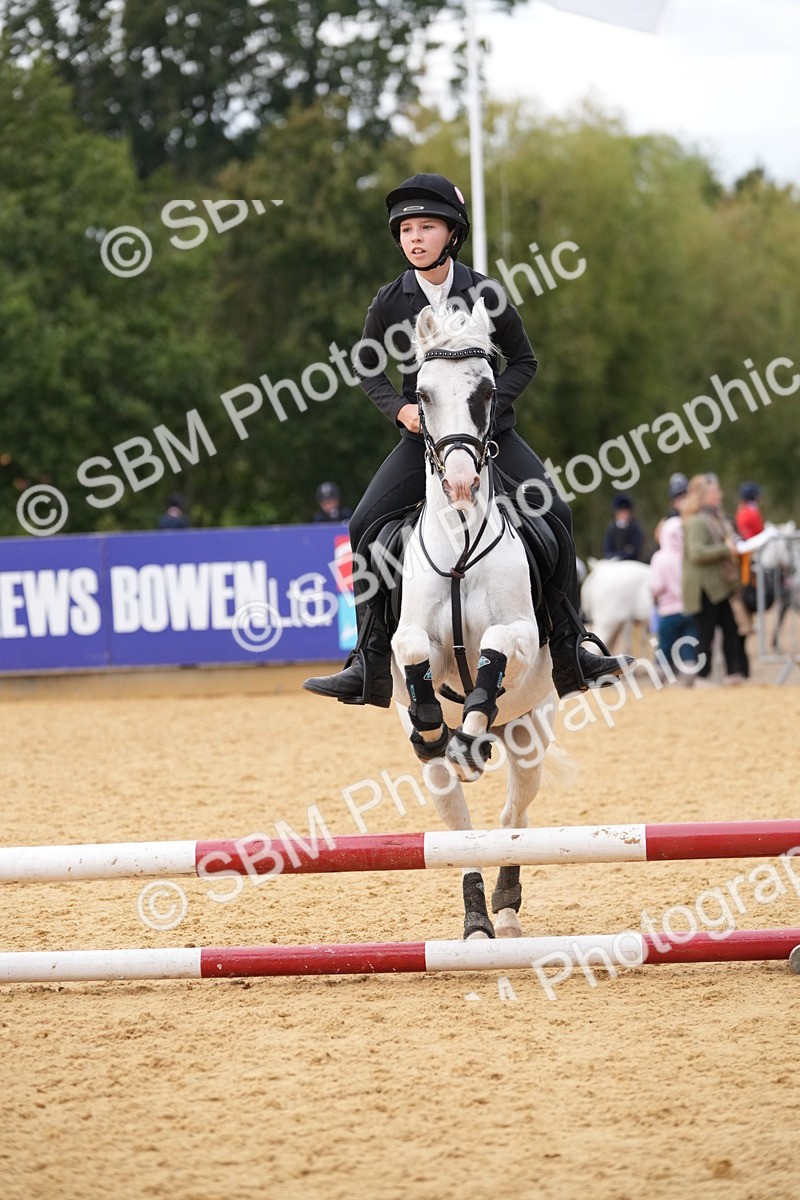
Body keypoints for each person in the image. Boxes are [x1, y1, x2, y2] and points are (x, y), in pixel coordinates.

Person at [303, 173, 632, 707]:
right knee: (362, 523)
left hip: (492, 438)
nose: (414, 238)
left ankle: (575, 650)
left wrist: (487, 408)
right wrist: (401, 409)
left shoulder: (485, 293)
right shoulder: (390, 301)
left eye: (426, 227)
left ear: (451, 234)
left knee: (559, 514)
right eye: (406, 229)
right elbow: (367, 370)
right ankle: (367, 660)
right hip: (424, 441)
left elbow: (525, 360)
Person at [682, 473, 748, 683]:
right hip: (704, 588)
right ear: (703, 495)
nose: (720, 495)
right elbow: (696, 553)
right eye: (715, 491)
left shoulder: (716, 518)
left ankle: (733, 674)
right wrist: (725, 549)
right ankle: (702, 677)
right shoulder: (696, 522)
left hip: (718, 586)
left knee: (730, 628)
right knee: (706, 634)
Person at [649, 515, 697, 683]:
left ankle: (660, 678)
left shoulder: (659, 558)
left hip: (668, 611)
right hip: (689, 609)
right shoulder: (688, 557)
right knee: (688, 645)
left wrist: (653, 595)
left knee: (665, 645)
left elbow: (657, 586)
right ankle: (688, 677)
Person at [603, 494, 644, 561]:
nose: (624, 515)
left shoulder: (635, 528)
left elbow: (636, 549)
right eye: (621, 512)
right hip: (613, 561)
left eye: (626, 511)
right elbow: (607, 550)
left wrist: (625, 554)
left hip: (632, 562)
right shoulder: (611, 530)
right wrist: (622, 553)